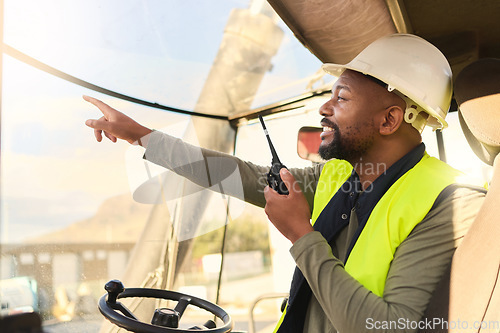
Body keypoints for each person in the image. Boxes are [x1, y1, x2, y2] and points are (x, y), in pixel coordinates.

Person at [84, 34, 486, 332]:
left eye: (341, 98)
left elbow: (388, 326)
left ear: (389, 121)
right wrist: (141, 135)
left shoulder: (450, 204)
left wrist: (300, 234)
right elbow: (237, 176)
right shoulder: (342, 175)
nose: (324, 109)